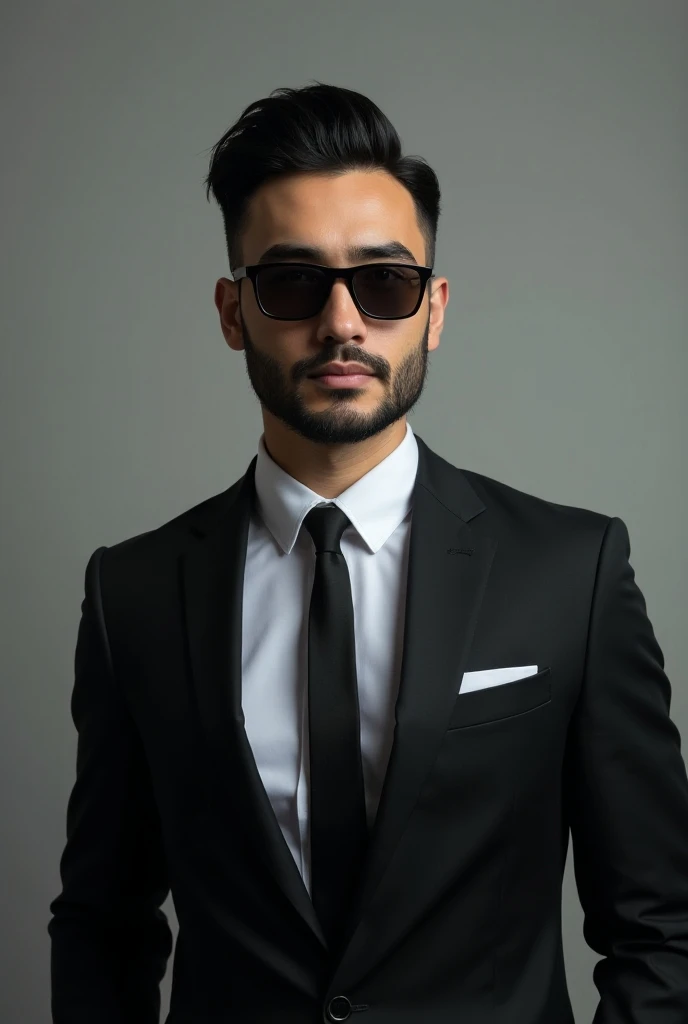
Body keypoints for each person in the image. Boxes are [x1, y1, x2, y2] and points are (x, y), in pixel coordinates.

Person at [48, 81, 688, 1024]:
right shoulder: (133, 593)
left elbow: (661, 924)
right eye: (295, 282)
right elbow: (104, 925)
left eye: (384, 282)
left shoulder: (572, 572)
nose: (343, 323)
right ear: (233, 312)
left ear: (433, 309)